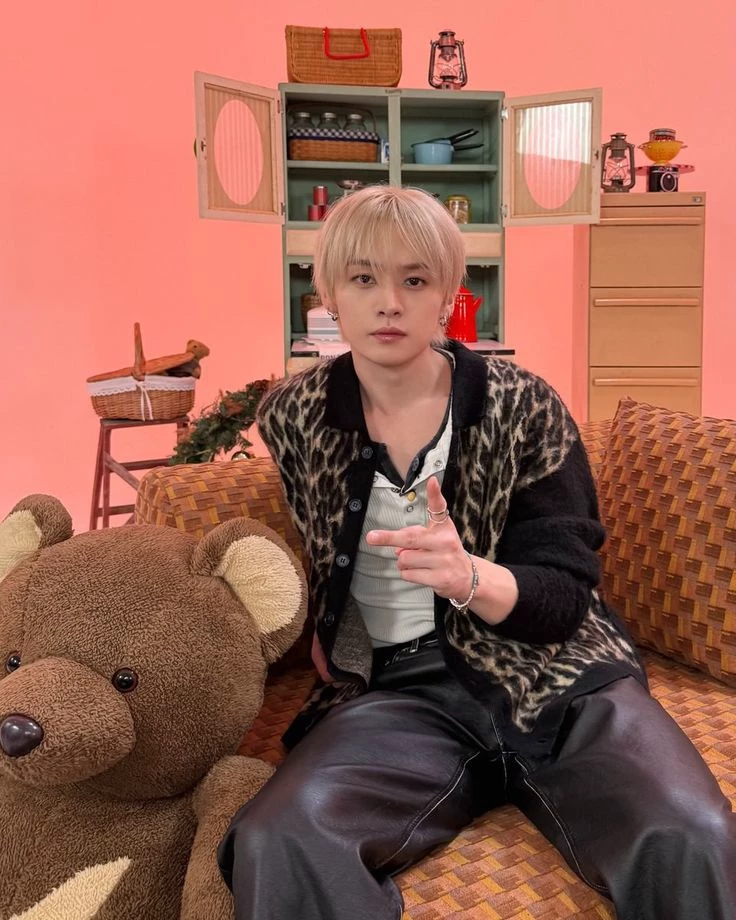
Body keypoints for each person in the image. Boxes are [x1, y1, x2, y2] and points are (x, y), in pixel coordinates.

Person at [217, 186, 735, 920]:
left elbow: (566, 593)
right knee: (282, 837)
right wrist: (335, 629)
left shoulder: (523, 405)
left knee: (691, 833)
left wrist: (469, 578)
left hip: (561, 678)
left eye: (415, 279)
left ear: (449, 296)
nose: (389, 303)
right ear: (328, 292)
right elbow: (319, 539)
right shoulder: (295, 416)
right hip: (401, 695)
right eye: (363, 278)